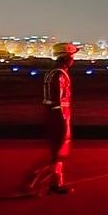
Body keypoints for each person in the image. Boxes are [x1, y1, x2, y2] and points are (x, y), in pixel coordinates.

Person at [23, 42, 78, 195]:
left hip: (57, 116)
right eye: (72, 56)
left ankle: (56, 182)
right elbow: (57, 101)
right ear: (66, 57)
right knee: (58, 154)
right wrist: (62, 121)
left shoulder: (54, 72)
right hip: (59, 117)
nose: (73, 60)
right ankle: (32, 180)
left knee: (60, 154)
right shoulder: (59, 74)